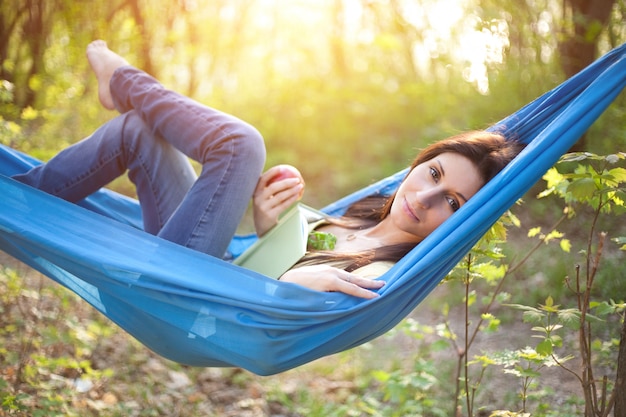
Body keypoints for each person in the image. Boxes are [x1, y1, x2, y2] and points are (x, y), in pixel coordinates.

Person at [12, 41, 524, 299]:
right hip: (203, 272)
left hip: (197, 302)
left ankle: (122, 79)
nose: (428, 198)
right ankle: (14, 200)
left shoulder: (386, 271)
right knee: (137, 134)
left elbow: (276, 307)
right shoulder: (356, 219)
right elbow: (272, 264)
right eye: (434, 175)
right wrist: (267, 221)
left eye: (453, 203)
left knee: (241, 144)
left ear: (462, 221)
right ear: (420, 164)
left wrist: (295, 289)